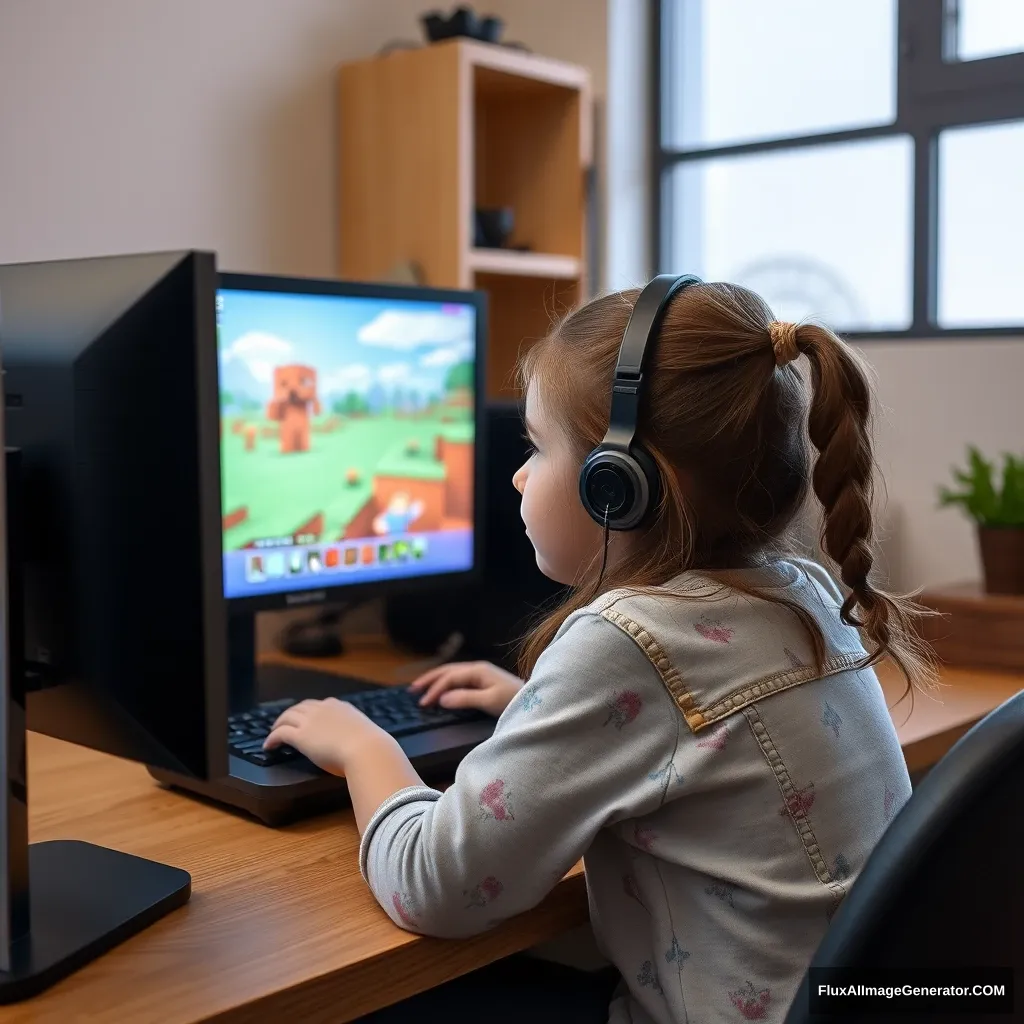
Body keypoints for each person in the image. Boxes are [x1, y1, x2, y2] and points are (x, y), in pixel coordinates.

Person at [264, 279, 937, 1024]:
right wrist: (533, 706)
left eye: (537, 445)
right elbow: (694, 740)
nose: (518, 475)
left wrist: (364, 748)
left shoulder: (629, 641)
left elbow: (438, 888)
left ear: (619, 484)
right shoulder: (804, 590)